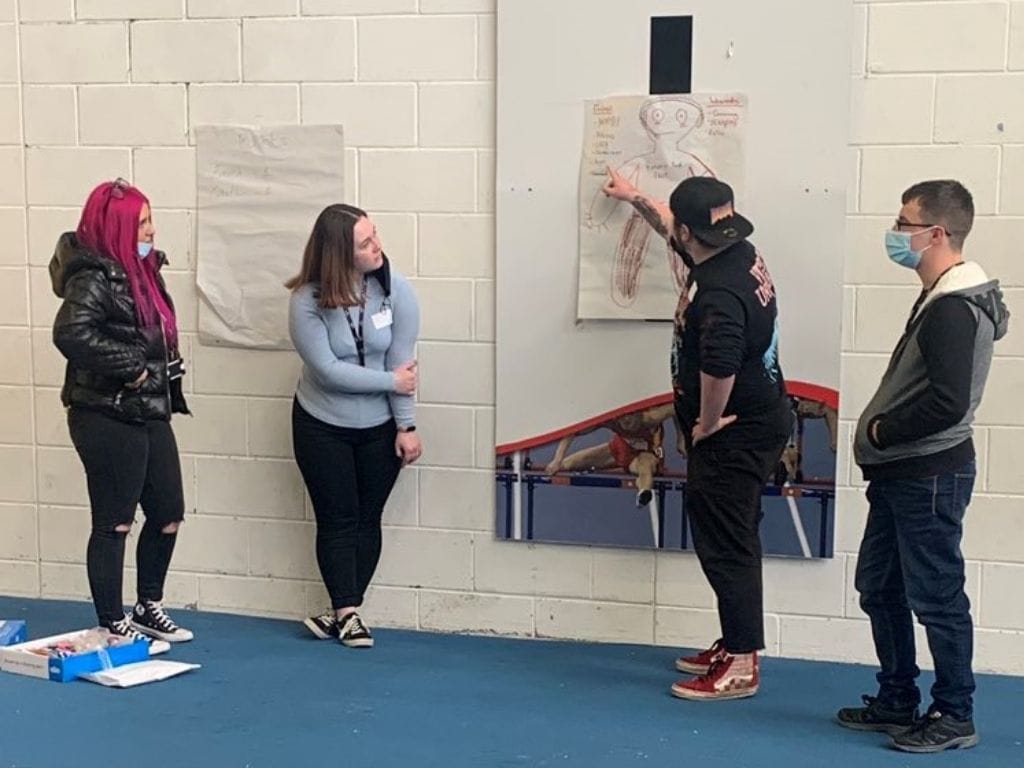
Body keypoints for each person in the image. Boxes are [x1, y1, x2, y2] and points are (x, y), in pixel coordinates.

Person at [603, 170, 792, 700]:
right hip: (760, 419)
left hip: (735, 432)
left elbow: (720, 366)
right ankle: (737, 642)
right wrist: (633, 197)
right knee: (732, 538)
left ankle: (740, 662)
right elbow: (671, 223)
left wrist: (705, 426)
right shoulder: (731, 250)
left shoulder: (719, 293)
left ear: (690, 235)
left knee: (726, 545)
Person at [837, 180, 1008, 753]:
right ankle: (897, 698)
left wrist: (885, 429)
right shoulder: (944, 295)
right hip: (901, 473)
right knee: (879, 588)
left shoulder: (954, 308)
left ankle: (955, 714)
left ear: (937, 233)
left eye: (904, 221)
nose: (895, 230)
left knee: (936, 595)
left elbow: (949, 402)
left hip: (928, 472)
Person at [51, 178, 193, 645]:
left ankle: (148, 604)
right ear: (117, 226)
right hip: (105, 413)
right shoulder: (95, 276)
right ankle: (111, 621)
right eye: (142, 221)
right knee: (115, 520)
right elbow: (71, 333)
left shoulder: (144, 270)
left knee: (168, 511)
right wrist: (132, 368)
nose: (152, 230)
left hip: (149, 408)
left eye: (151, 220)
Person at [287, 204, 421, 649]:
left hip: (379, 426)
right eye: (365, 243)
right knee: (338, 518)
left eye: (375, 235)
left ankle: (342, 611)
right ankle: (349, 612)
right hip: (322, 424)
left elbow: (403, 360)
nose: (377, 246)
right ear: (339, 255)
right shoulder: (306, 301)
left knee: (368, 518)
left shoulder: (395, 290)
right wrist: (391, 382)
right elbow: (326, 370)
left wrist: (407, 426)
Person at [545, 403, 677, 507]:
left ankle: (644, 491)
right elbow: (572, 431)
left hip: (647, 453)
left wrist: (682, 438)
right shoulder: (610, 419)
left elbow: (679, 406)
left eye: (630, 418)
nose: (626, 421)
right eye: (622, 419)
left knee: (645, 466)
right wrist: (557, 459)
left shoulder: (651, 417)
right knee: (569, 464)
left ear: (637, 413)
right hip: (619, 448)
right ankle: (571, 465)